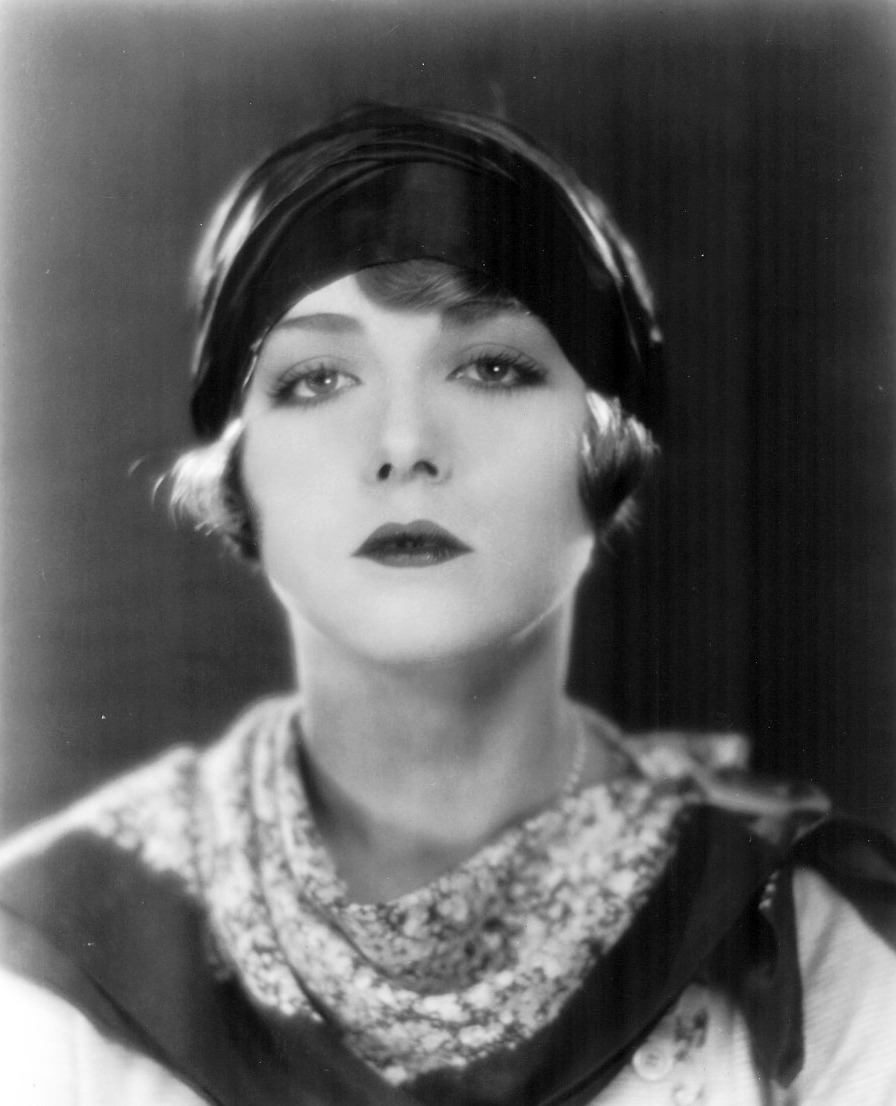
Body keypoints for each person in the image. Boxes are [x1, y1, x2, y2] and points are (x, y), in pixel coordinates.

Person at [1, 103, 894, 1106]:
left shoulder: (805, 950)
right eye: (316, 378)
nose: (404, 442)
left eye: (491, 366)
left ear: (602, 450)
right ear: (238, 472)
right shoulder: (51, 965)